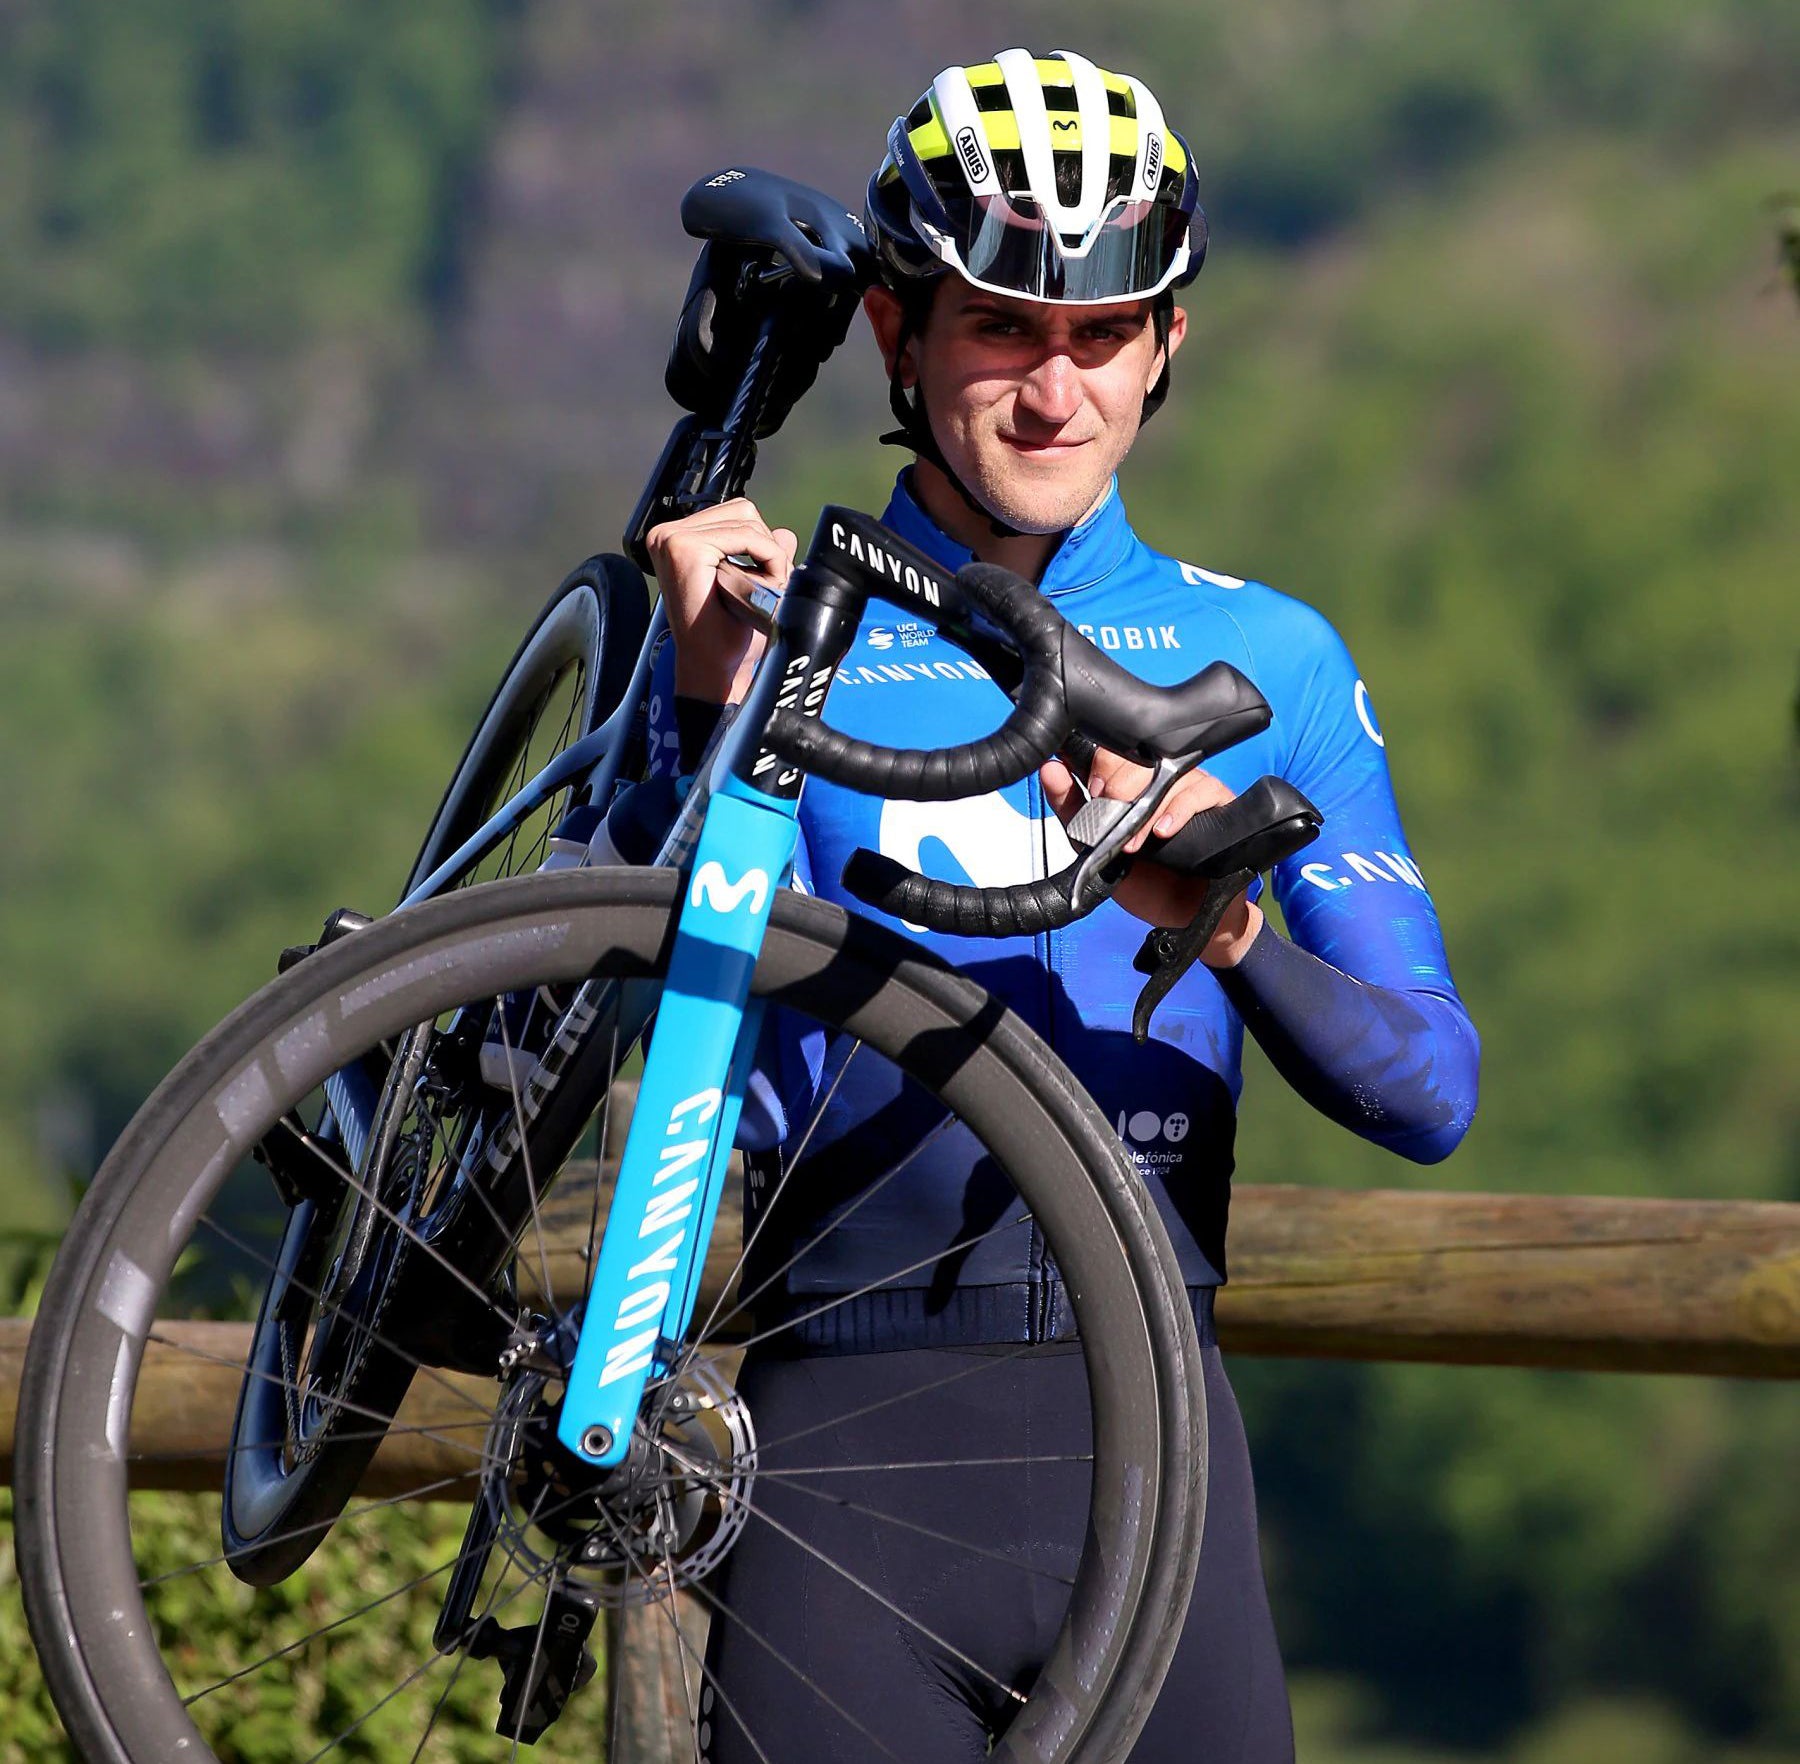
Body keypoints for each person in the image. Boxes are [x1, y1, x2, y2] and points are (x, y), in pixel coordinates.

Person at [637, 47, 1480, 1763]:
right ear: (899, 335)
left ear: (1168, 343)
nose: (1053, 388)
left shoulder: (1275, 663)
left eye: (1101, 336)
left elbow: (1430, 1090)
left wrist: (1230, 922)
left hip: (1158, 1453)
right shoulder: (772, 630)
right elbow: (619, 1038)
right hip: (846, 1458)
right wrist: (691, 725)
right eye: (1001, 330)